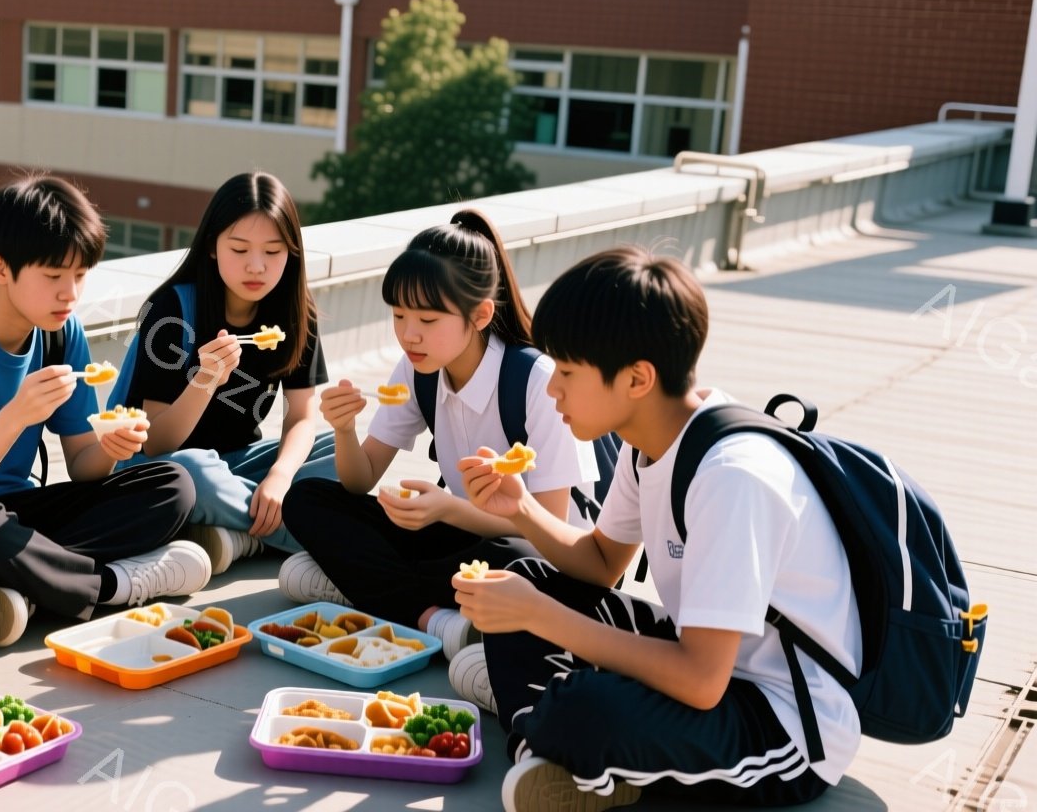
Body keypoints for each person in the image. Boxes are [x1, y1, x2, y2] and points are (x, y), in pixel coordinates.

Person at [452, 245, 859, 811]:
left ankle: (547, 728)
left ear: (637, 379)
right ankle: (547, 748)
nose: (551, 390)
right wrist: (521, 510)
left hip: (781, 723)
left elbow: (700, 681)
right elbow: (600, 563)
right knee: (521, 577)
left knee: (581, 703)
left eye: (566, 372)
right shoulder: (653, 442)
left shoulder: (732, 478)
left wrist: (538, 619)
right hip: (707, 659)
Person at [0, 175, 208, 648]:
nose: (70, 293)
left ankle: (23, 585)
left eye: (81, 275)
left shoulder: (60, 333)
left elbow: (82, 467)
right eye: (53, 276)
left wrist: (109, 449)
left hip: (14, 515)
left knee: (170, 485)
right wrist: (15, 416)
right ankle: (108, 586)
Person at [281, 210, 598, 660]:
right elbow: (359, 479)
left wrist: (451, 508)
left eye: (428, 321)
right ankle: (435, 619)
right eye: (398, 316)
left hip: (542, 551)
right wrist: (345, 430)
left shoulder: (536, 381)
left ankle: (369, 586)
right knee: (307, 499)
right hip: (455, 532)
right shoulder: (417, 369)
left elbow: (551, 524)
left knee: (511, 561)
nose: (409, 334)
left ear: (481, 314)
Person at [116, 172, 335, 575]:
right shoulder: (172, 311)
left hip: (237, 463)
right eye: (239, 249)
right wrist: (205, 381)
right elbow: (156, 442)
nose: (257, 266)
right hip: (162, 469)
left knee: (340, 450)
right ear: (213, 247)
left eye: (273, 251)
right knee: (196, 474)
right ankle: (321, 540)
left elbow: (303, 415)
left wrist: (280, 478)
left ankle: (239, 535)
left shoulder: (294, 312)